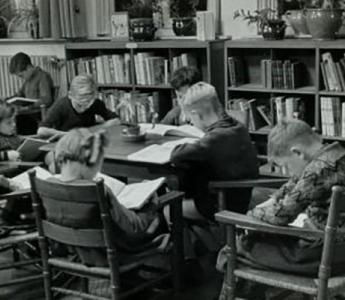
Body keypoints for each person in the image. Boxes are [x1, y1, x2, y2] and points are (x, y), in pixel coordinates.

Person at [217, 119, 345, 298]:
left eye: (285, 166)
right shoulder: (335, 154)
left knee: (234, 249)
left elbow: (280, 216)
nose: (287, 172)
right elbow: (296, 182)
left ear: (297, 153)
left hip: (326, 252)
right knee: (260, 239)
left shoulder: (317, 170)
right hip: (336, 246)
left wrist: (252, 214)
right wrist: (276, 197)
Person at [51, 128, 166, 265]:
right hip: (113, 252)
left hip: (75, 251)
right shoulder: (99, 190)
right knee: (167, 213)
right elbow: (135, 227)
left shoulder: (47, 184)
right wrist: (151, 204)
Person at [170, 82, 259, 221]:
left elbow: (176, 155)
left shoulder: (214, 139)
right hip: (241, 196)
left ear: (196, 114)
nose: (192, 124)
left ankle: (189, 241)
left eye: (191, 120)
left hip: (222, 204)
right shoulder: (237, 126)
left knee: (168, 208)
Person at [37, 75, 119, 139]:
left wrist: (95, 130)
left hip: (87, 141)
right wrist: (68, 135)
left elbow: (116, 120)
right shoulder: (61, 105)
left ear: (94, 94)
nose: (84, 106)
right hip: (65, 142)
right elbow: (41, 130)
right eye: (80, 100)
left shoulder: (96, 103)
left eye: (89, 98)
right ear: (70, 95)